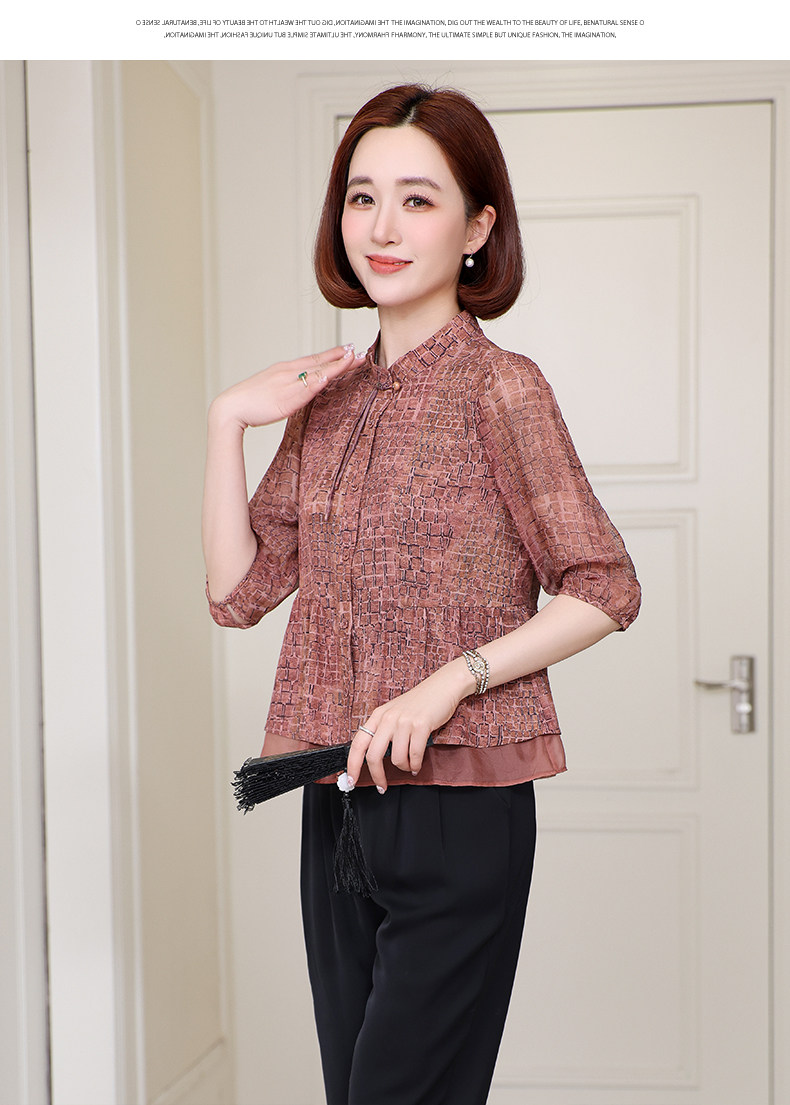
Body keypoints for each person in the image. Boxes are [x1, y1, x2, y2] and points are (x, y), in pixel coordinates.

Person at [202, 84, 641, 1105]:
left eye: (417, 199)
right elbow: (238, 593)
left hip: (461, 809)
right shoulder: (326, 402)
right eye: (362, 198)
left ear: (478, 227)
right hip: (337, 801)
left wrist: (451, 681)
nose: (382, 228)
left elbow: (605, 584)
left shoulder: (502, 387)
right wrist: (228, 421)